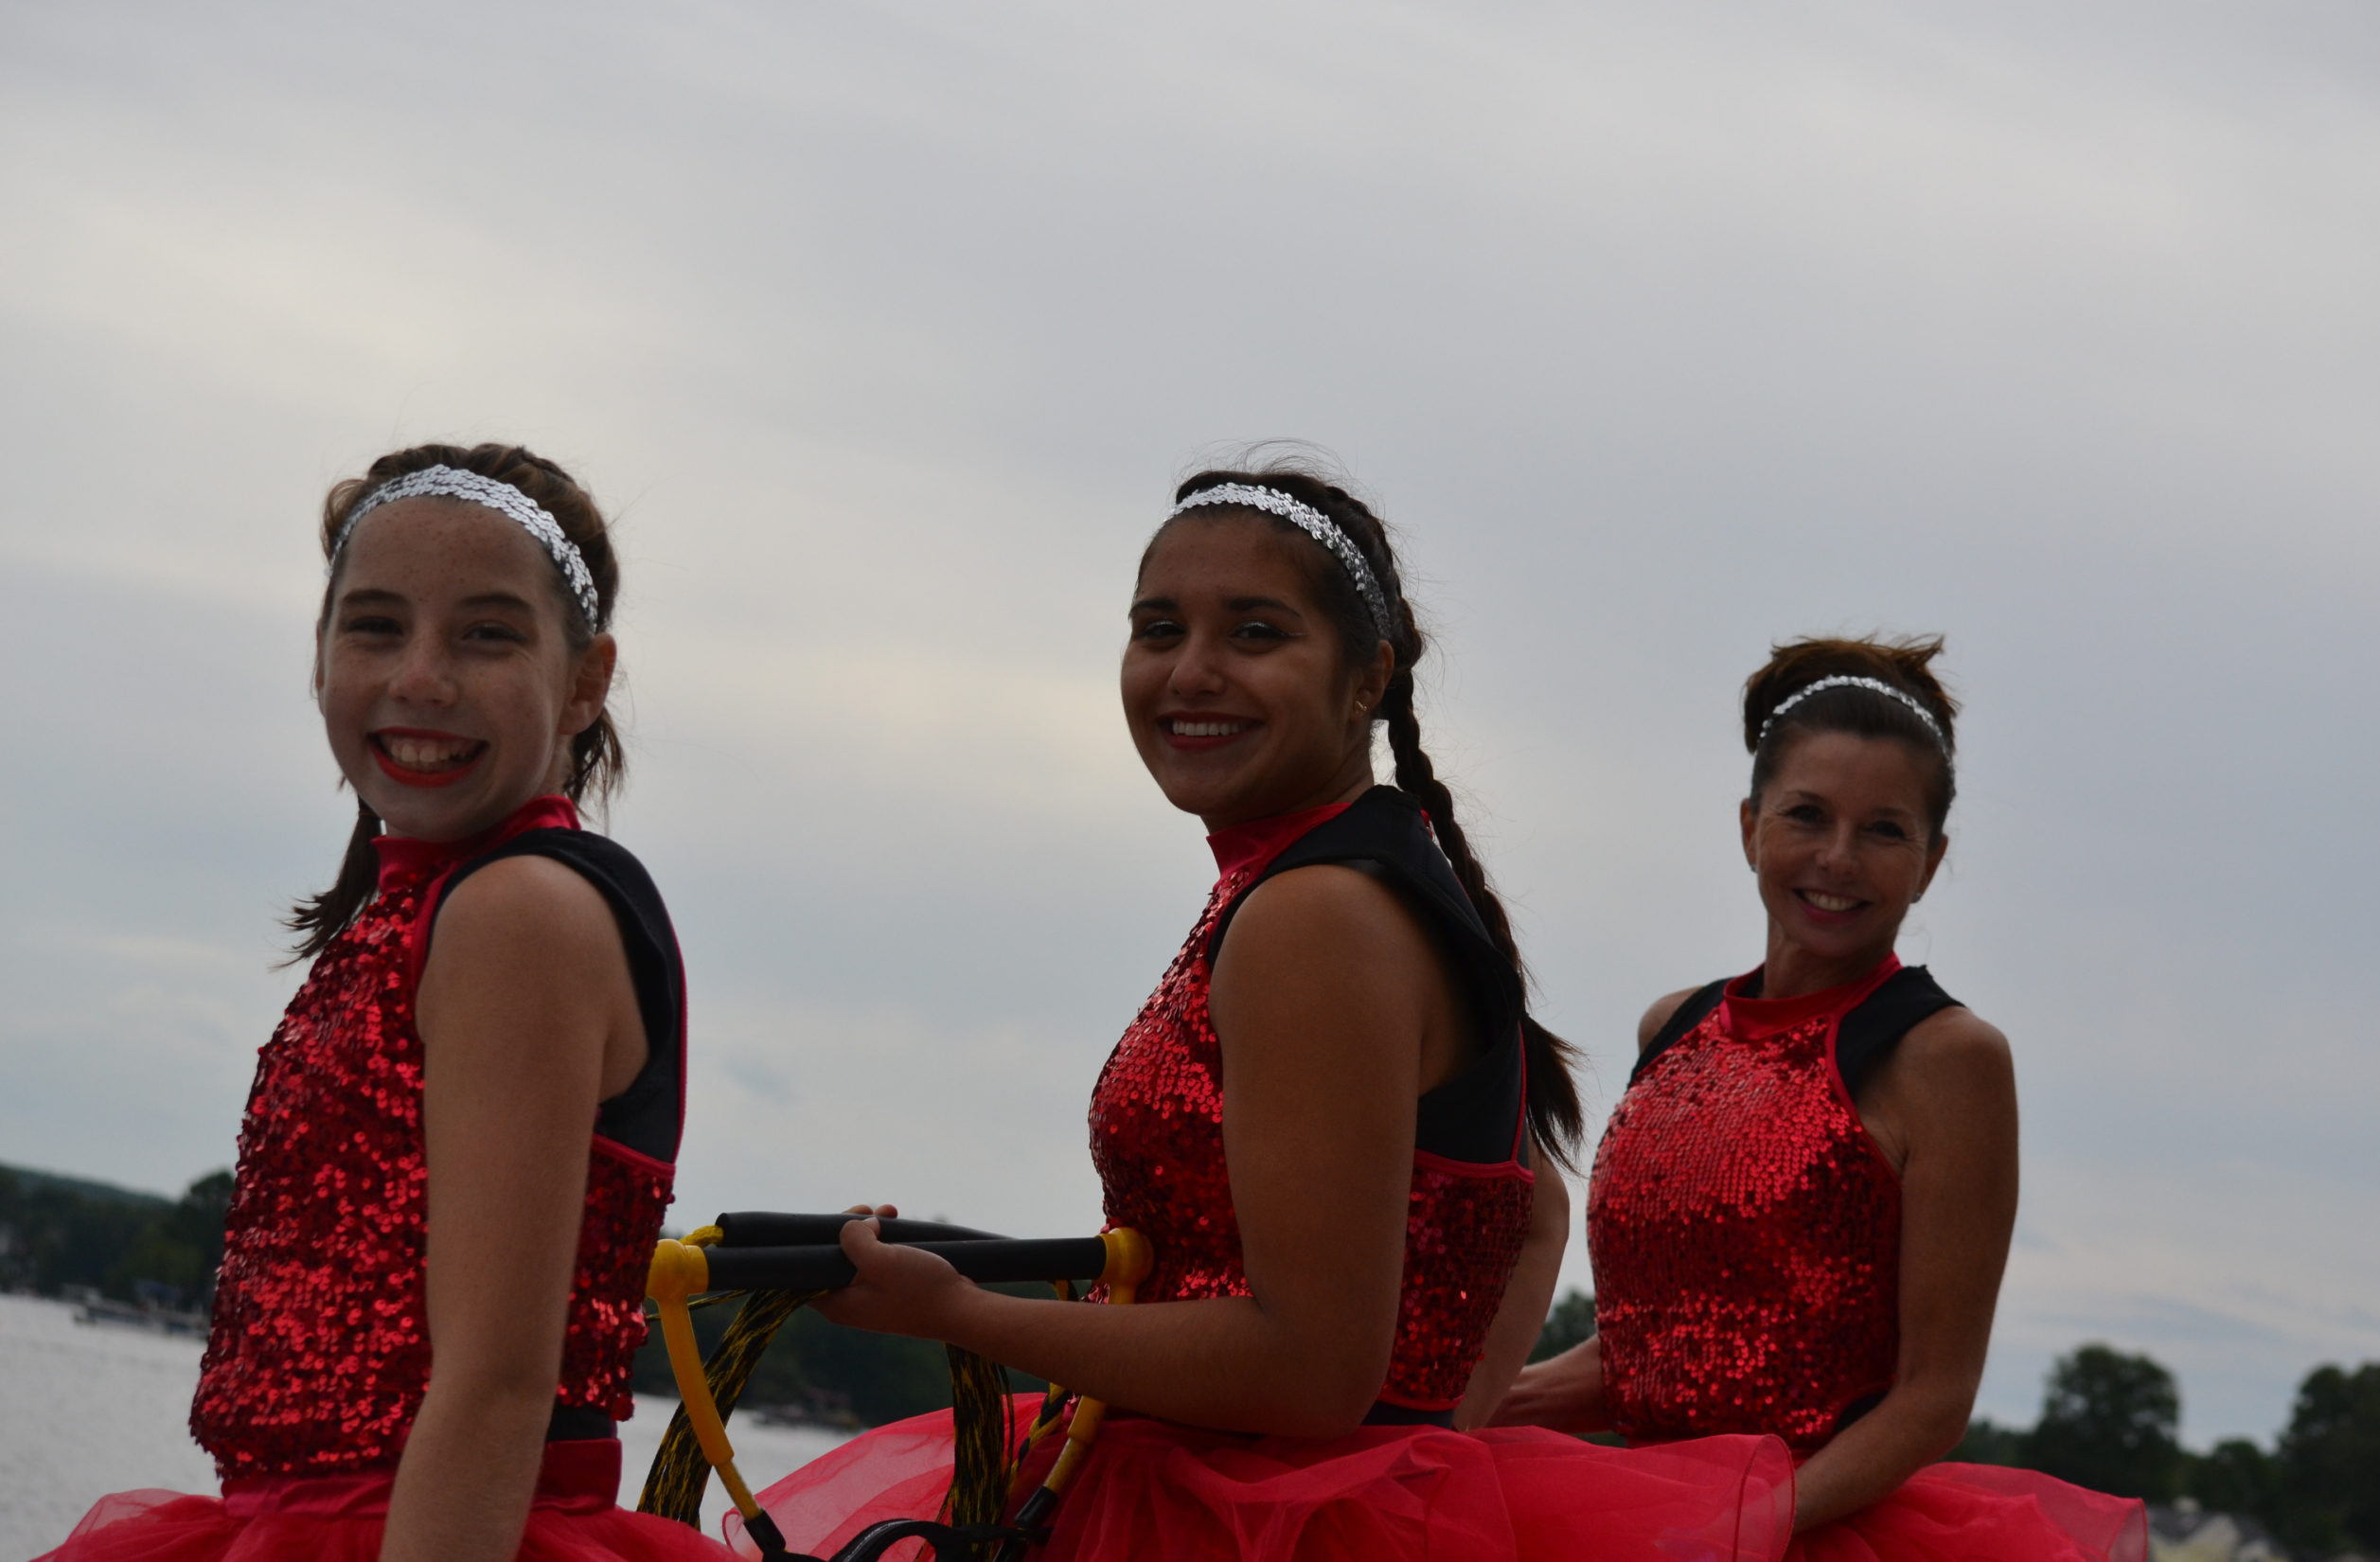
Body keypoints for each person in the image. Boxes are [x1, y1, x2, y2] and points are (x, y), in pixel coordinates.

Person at [746, 465, 1792, 1562]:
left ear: (1363, 681)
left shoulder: (1314, 916)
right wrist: (1432, 1446)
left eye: (1254, 633)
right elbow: (1526, 1212)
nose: (1191, 672)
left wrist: (958, 1315)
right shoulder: (1357, 881)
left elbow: (1309, 1367)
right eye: (1158, 629)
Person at [40, 446, 730, 1562]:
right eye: (373, 626)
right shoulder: (427, 905)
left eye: (487, 633)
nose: (420, 675)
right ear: (318, 658)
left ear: (588, 679)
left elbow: (498, 1385)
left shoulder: (519, 913)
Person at [1488, 638, 2146, 1562]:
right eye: (1807, 816)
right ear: (1749, 824)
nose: (1837, 859)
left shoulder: (1948, 1060)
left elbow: (1930, 1400)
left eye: (1883, 830)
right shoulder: (1671, 1028)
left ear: (1932, 857)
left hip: (1810, 1530)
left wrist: (1735, 1535)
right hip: (1649, 1516)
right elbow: (1656, 1355)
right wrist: (1463, 1409)